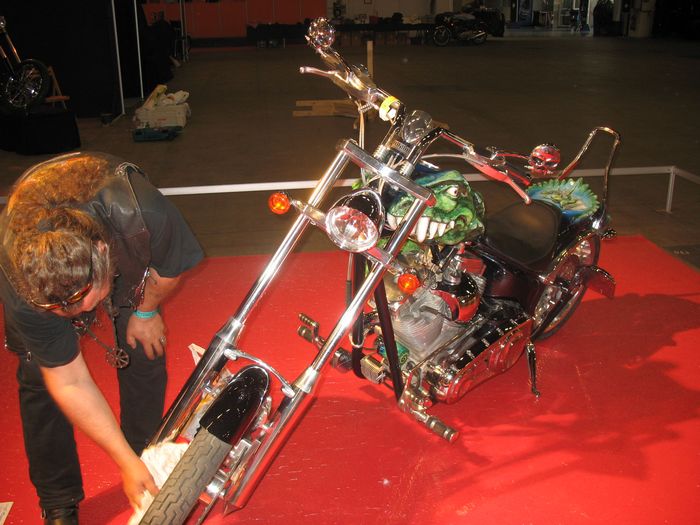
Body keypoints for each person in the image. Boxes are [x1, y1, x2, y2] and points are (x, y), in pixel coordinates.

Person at [0, 152, 204, 524]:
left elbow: (169, 270)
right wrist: (120, 461)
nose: (78, 317)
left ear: (102, 251)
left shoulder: (143, 213)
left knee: (144, 348)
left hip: (122, 244)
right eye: (61, 310)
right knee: (37, 377)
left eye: (83, 304)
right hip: (51, 265)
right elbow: (68, 380)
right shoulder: (21, 277)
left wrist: (146, 311)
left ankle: (145, 455)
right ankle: (58, 500)